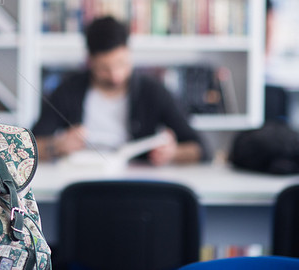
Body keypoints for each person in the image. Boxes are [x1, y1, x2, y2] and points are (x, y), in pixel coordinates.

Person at [32, 15, 209, 165]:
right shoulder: (68, 90)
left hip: (135, 183)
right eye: (104, 68)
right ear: (89, 61)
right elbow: (28, 148)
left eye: (121, 64)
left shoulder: (152, 91)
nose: (115, 75)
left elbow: (201, 149)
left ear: (129, 53)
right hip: (82, 180)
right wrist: (58, 145)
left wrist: (173, 153)